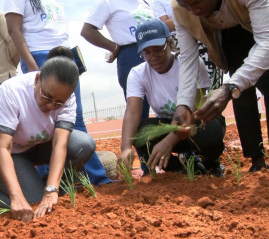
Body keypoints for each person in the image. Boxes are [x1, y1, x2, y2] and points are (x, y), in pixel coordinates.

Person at [0, 57, 94, 223]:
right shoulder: (12, 91)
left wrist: (51, 190)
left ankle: (46, 191)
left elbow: (60, 144)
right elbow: (3, 148)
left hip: (33, 145)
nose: (50, 106)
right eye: (46, 98)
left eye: (58, 103)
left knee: (83, 145)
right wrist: (16, 197)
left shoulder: (67, 98)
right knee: (30, 203)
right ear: (37, 80)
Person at [5, 0, 110, 185]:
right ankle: (48, 180)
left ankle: (97, 177)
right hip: (38, 55)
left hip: (64, 54)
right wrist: (32, 66)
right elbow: (14, 30)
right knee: (44, 120)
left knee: (74, 118)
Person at [172, 0, 269, 171]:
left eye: (196, 3)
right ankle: (257, 160)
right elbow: (188, 59)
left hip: (261, 29)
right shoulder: (180, 9)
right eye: (187, 7)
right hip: (229, 39)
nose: (193, 11)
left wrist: (228, 88)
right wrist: (183, 104)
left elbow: (266, 43)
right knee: (242, 98)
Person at [120, 20, 226, 176]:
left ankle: (211, 164)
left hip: (194, 125)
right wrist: (126, 148)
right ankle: (181, 170)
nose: (153, 57)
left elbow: (197, 108)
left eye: (158, 49)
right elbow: (132, 113)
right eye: (146, 52)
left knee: (212, 129)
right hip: (168, 125)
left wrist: (169, 141)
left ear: (170, 43)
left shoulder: (191, 64)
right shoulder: (137, 74)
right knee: (141, 133)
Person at [81, 0, 153, 119]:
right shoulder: (108, 3)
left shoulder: (145, 2)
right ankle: (138, 137)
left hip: (156, 51)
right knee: (140, 112)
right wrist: (114, 47)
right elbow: (87, 31)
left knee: (165, 101)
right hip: (131, 55)